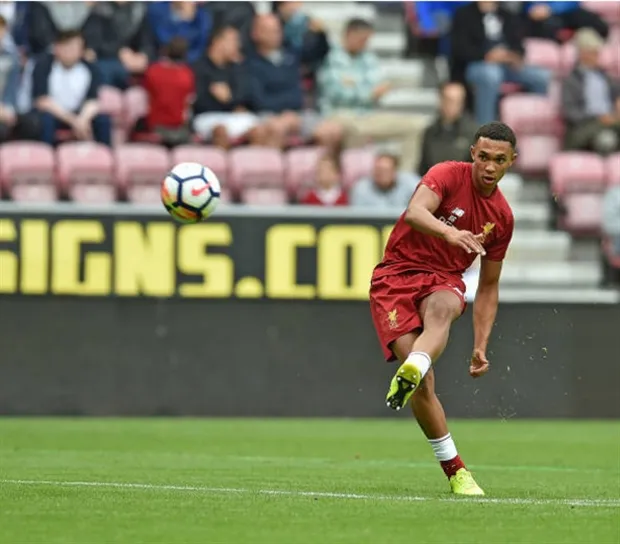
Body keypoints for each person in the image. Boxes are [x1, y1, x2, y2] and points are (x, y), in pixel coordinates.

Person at [369, 121, 517, 495]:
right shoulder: (447, 174)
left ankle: (416, 367)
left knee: (442, 309)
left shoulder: (501, 217)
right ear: (473, 154)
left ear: (511, 162)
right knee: (424, 383)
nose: (488, 166)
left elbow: (488, 286)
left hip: (444, 278)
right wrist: (451, 232)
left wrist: (481, 343)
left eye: (498, 160)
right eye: (483, 156)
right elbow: (416, 211)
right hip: (396, 276)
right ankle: (454, 469)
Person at [318, 18, 427, 172]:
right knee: (351, 132)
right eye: (362, 39)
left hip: (367, 116)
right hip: (340, 116)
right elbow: (338, 94)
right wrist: (369, 93)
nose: (365, 43)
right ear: (348, 35)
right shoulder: (332, 58)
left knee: (417, 125)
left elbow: (379, 86)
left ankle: (405, 179)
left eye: (367, 40)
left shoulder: (368, 58)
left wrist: (357, 88)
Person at [450, 1, 551, 125]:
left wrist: (514, 56)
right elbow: (460, 48)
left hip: (506, 65)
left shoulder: (507, 15)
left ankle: (532, 122)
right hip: (477, 63)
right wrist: (487, 55)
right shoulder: (464, 14)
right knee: (491, 75)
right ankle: (485, 128)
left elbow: (519, 45)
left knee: (542, 76)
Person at [32, 29, 111, 146]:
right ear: (56, 48)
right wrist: (72, 120)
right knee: (44, 121)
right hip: (55, 112)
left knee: (103, 121)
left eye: (75, 48)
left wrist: (83, 119)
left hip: (79, 113)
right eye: (66, 47)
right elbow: (42, 101)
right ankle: (46, 157)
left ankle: (105, 158)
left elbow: (93, 101)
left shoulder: (90, 69)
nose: (70, 52)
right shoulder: (43, 65)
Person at [192, 25, 266, 148]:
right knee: (220, 131)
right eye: (233, 41)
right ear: (218, 42)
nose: (237, 45)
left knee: (259, 130)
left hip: (234, 116)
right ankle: (219, 165)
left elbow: (248, 96)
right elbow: (198, 102)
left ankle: (252, 165)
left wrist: (229, 99)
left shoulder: (238, 68)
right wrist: (231, 102)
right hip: (207, 116)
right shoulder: (199, 67)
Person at [562, 28, 620, 154]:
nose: (597, 56)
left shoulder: (605, 77)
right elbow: (570, 112)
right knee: (606, 140)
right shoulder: (571, 80)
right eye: (594, 52)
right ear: (583, 53)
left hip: (610, 123)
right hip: (584, 127)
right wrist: (598, 118)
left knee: (609, 135)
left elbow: (617, 94)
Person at [143, 37, 194, 147]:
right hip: (179, 128)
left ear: (165, 51)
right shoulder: (187, 75)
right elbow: (189, 102)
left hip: (156, 126)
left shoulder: (153, 71)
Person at [418, 81, 478, 176]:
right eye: (449, 100)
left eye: (458, 101)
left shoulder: (474, 133)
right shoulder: (430, 132)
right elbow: (423, 168)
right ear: (441, 101)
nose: (453, 105)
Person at [351, 154, 420, 209]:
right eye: (377, 170)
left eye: (385, 170)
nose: (380, 174)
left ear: (394, 171)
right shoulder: (361, 188)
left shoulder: (410, 183)